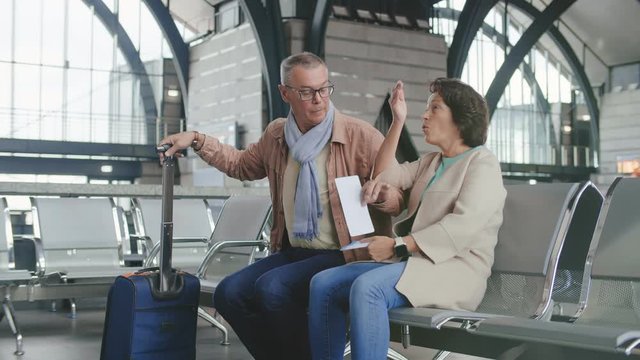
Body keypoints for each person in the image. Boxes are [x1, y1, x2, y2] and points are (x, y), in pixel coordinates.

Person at [158, 52, 396, 360]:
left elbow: (398, 194)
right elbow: (241, 165)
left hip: (345, 253)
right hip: (293, 251)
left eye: (324, 89)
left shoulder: (359, 136)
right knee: (228, 294)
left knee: (273, 288)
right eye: (306, 92)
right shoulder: (278, 135)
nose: (319, 100)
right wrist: (196, 139)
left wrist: (381, 196)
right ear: (285, 93)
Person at [308, 78, 507, 360]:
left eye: (435, 108)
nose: (424, 115)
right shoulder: (431, 162)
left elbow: (462, 227)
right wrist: (397, 121)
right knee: (323, 284)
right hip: (417, 264)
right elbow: (385, 175)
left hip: (457, 271)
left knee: (368, 289)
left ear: (460, 118)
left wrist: (397, 246)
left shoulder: (482, 164)